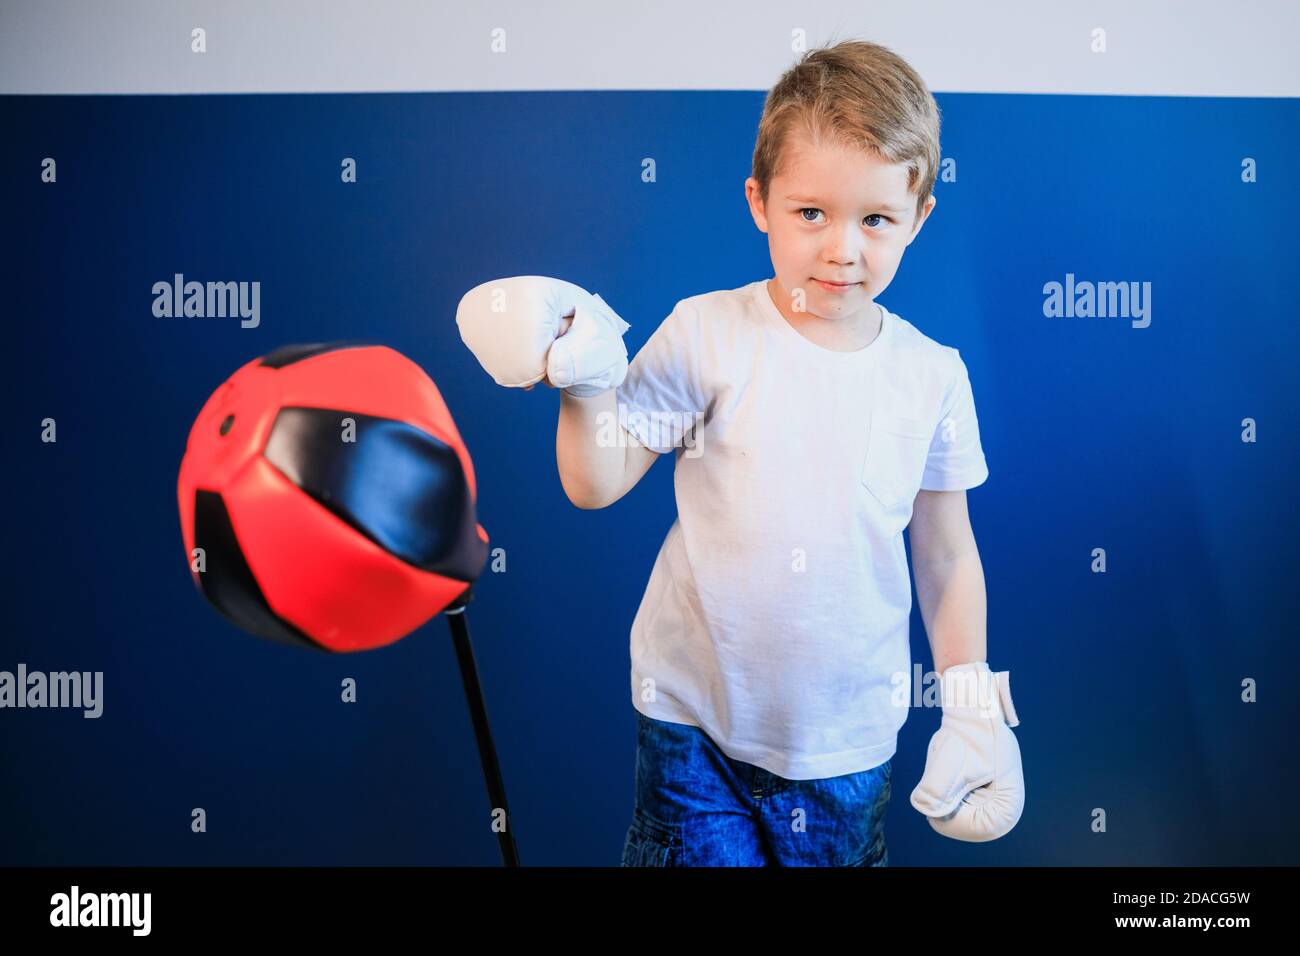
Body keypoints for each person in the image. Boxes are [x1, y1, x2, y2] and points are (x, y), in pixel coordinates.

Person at [457, 39, 1024, 866]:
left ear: (920, 216)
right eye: (810, 213)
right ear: (759, 202)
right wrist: (585, 389)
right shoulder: (707, 333)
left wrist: (971, 701)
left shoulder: (932, 375)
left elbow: (944, 552)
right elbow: (594, 482)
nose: (841, 249)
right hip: (693, 724)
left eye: (874, 219)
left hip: (848, 743)